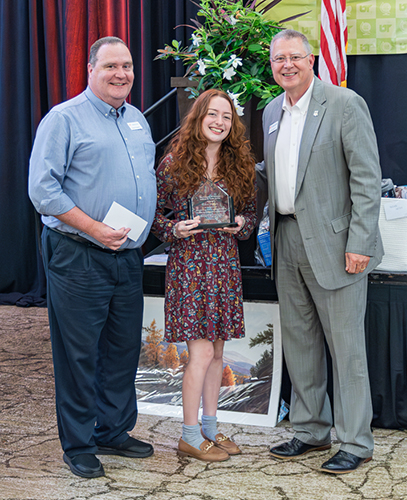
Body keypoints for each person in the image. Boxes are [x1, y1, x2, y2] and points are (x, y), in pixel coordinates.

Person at [28, 36, 157, 478]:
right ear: (90, 70)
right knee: (79, 353)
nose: (121, 74)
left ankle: (113, 431)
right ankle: (80, 443)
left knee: (122, 349)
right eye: (111, 67)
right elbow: (43, 191)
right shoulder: (63, 119)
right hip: (79, 252)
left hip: (127, 255)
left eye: (127, 66)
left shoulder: (137, 120)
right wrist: (95, 229)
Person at [257, 29, 384, 474]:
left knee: (346, 349)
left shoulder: (344, 104)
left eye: (294, 57)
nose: (286, 65)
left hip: (336, 245)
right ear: (271, 65)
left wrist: (361, 243)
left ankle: (355, 441)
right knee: (300, 343)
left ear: (311, 60)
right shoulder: (272, 110)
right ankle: (310, 430)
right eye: (278, 59)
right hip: (287, 240)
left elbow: (366, 180)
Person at [151, 89, 257, 462]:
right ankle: (189, 435)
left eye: (226, 117)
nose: (219, 122)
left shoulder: (239, 164)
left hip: (224, 267)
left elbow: (251, 218)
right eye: (212, 114)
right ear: (199, 118)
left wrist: (242, 223)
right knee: (199, 355)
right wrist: (174, 230)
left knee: (216, 355)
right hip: (190, 268)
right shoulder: (174, 163)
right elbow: (154, 217)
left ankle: (210, 429)